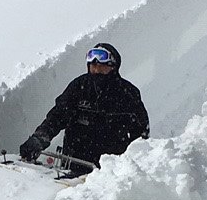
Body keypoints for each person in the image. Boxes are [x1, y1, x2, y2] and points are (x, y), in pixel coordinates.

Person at [19, 42, 149, 171]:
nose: (96, 70)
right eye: (93, 66)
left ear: (113, 67)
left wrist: (132, 166)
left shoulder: (128, 94)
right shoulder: (79, 87)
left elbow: (140, 133)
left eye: (101, 67)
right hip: (74, 162)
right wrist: (39, 139)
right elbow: (57, 116)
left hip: (110, 171)